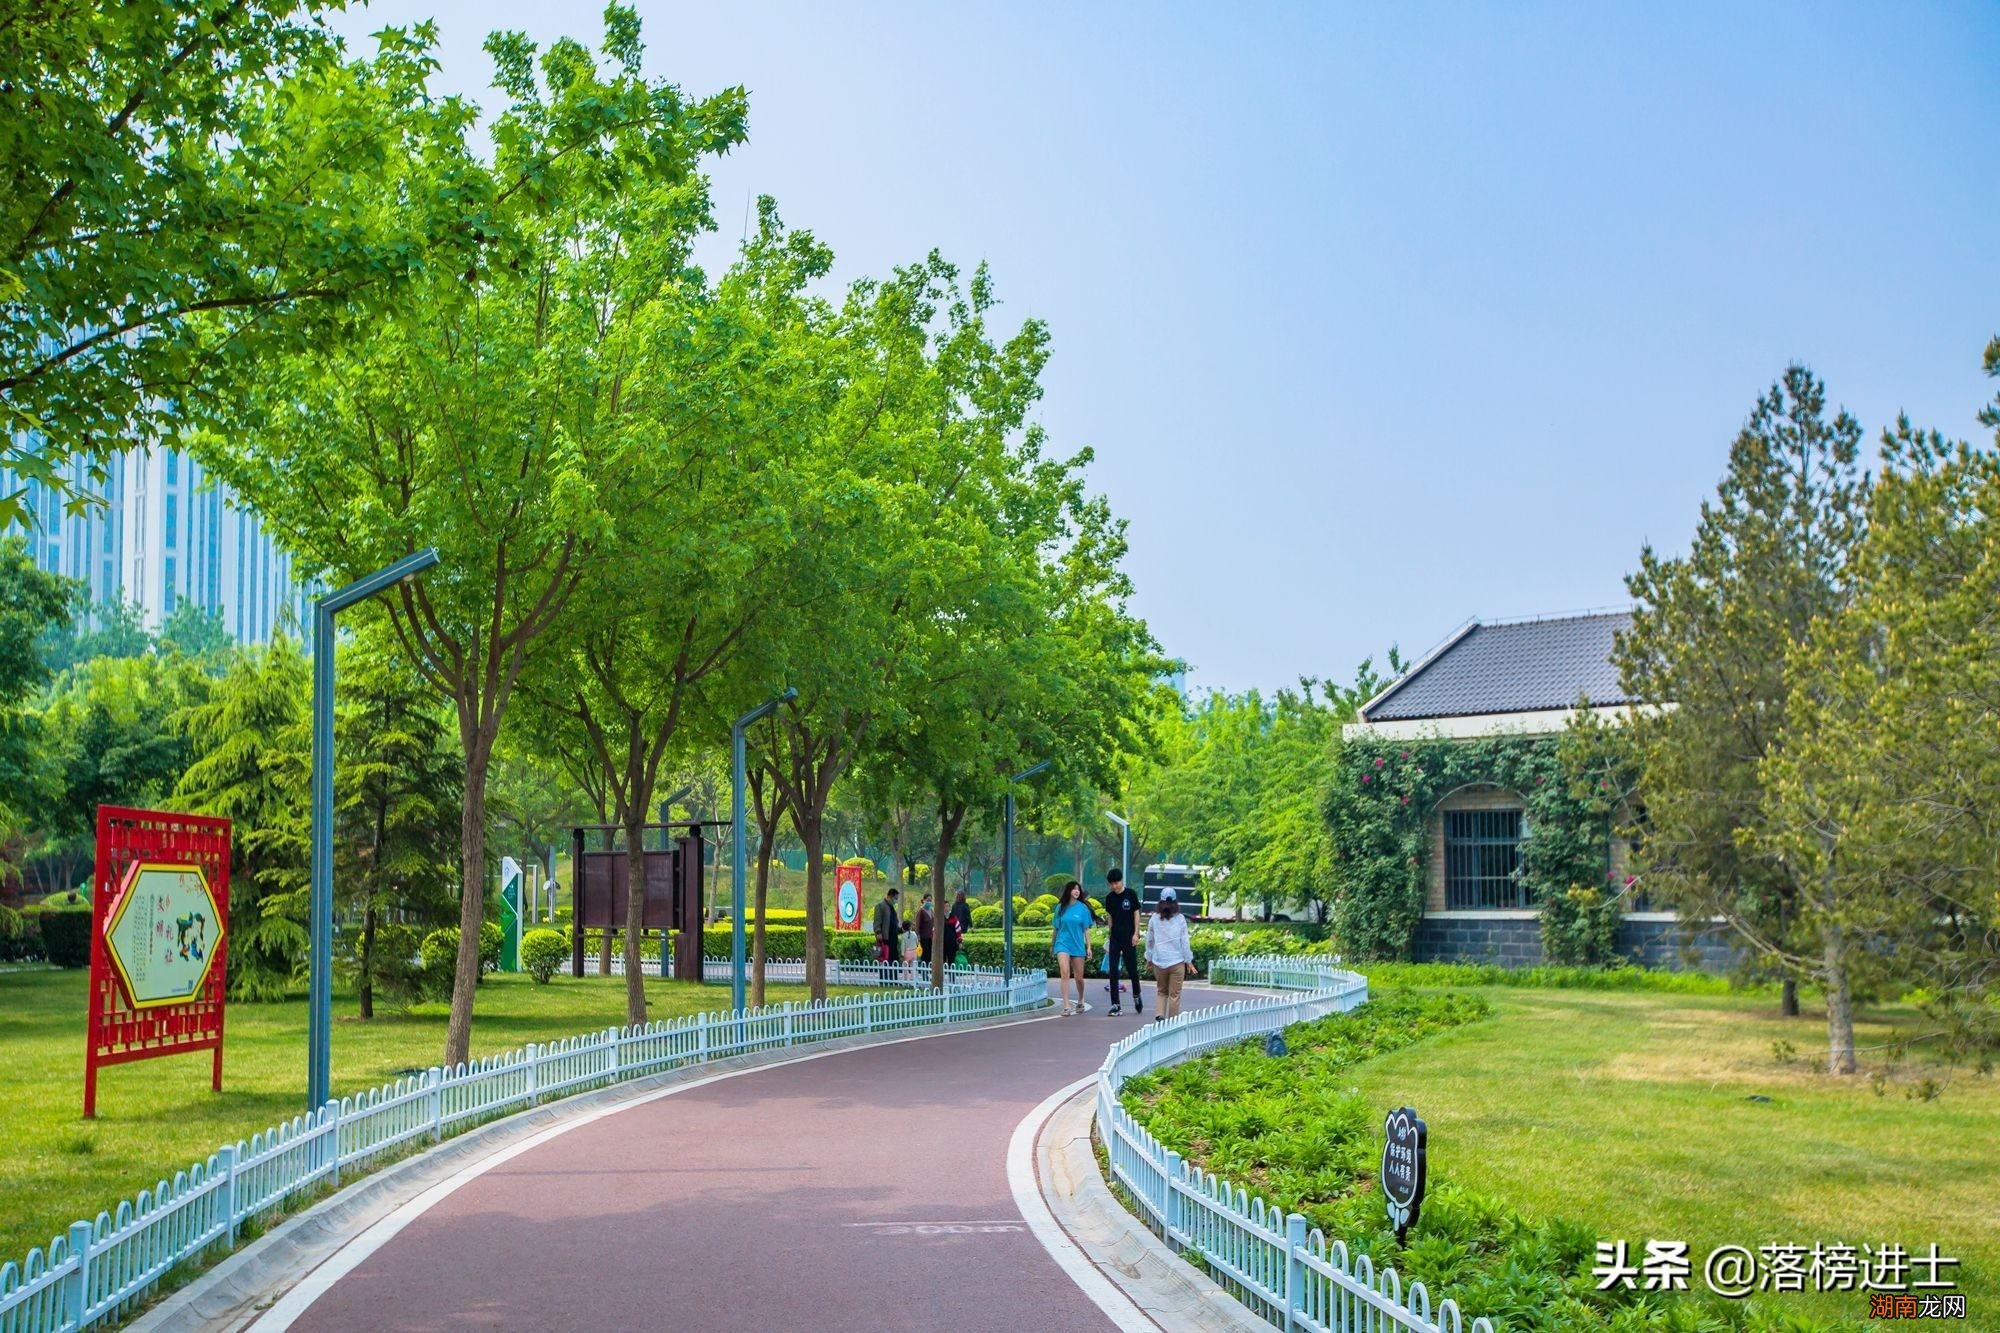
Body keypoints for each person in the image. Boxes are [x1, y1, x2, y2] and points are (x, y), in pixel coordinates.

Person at [1145, 886, 1198, 1021]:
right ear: (1175, 903)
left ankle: (1159, 1014)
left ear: (1160, 902)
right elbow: (1185, 942)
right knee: (1174, 994)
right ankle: (1171, 1022)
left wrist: (1149, 958)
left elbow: (1150, 940)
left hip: (1159, 961)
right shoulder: (1180, 919)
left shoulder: (1154, 919)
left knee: (1161, 991)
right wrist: (1189, 961)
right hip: (1176, 962)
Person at [1100, 868, 1143, 1016]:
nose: (1114, 886)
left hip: (1129, 937)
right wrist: (1110, 934)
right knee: (1113, 971)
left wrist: (1136, 933)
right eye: (1111, 884)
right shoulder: (1109, 898)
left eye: (1116, 883)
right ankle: (1115, 1004)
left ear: (1121, 881)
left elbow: (1136, 914)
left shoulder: (1130, 894)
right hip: (1115, 938)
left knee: (1132, 970)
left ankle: (1136, 995)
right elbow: (1110, 917)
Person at [1051, 880, 1097, 1015]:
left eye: (1078, 889)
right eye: (1074, 889)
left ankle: (1081, 998)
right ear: (1069, 891)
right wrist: (1053, 945)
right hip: (1062, 943)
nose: (1077, 891)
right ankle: (1066, 1006)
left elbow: (1086, 929)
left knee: (1079, 978)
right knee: (1065, 973)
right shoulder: (1060, 908)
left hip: (1077, 945)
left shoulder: (1083, 908)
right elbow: (1055, 928)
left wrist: (1089, 947)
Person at [873, 886, 901, 980]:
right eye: (895, 898)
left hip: (893, 938)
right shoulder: (880, 906)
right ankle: (884, 979)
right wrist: (878, 932)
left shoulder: (892, 908)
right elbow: (877, 922)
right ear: (889, 896)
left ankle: (894, 980)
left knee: (894, 959)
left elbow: (895, 923)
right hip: (885, 938)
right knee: (884, 959)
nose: (896, 901)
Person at [917, 900, 935, 965]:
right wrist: (918, 936)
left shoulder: (932, 910)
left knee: (930, 954)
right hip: (923, 937)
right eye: (927, 900)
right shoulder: (921, 911)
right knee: (925, 955)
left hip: (931, 937)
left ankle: (929, 970)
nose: (929, 902)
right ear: (923, 901)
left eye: (930, 900)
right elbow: (917, 924)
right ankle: (924, 971)